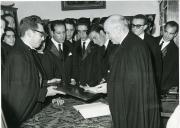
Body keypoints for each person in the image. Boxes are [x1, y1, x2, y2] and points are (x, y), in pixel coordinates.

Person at [85, 15, 160, 128]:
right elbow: (125, 77)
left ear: (118, 29)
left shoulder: (134, 47)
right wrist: (108, 85)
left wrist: (110, 87)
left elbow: (134, 83)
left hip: (135, 106)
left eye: (108, 32)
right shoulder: (128, 44)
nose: (108, 37)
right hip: (132, 101)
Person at [2, 15, 65, 128]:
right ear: (30, 33)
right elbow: (19, 95)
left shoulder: (27, 51)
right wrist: (45, 92)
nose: (43, 38)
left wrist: (47, 83)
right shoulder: (19, 56)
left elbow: (29, 82)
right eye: (41, 34)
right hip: (24, 119)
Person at [131, 14, 162, 95]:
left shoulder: (152, 42)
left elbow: (157, 67)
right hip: (130, 84)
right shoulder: (127, 40)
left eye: (138, 26)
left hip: (147, 85)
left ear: (145, 27)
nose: (134, 28)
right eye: (133, 25)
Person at [72, 18, 100, 87]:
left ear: (89, 30)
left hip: (94, 85)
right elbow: (74, 65)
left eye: (84, 31)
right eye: (79, 31)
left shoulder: (96, 44)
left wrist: (92, 83)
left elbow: (99, 67)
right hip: (79, 85)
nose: (81, 34)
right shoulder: (75, 45)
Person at [45, 20, 73, 85]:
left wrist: (73, 78)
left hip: (69, 87)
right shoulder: (46, 48)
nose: (62, 35)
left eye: (64, 32)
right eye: (59, 33)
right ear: (52, 33)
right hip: (54, 88)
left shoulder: (69, 45)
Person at [155, 21, 179, 94]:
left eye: (171, 33)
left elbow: (175, 74)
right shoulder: (151, 41)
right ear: (163, 30)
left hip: (162, 88)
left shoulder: (176, 52)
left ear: (175, 34)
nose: (167, 35)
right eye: (166, 31)